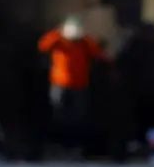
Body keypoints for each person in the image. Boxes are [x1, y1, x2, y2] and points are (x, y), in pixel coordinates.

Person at [37, 16, 108, 158]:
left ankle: (75, 146)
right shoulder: (58, 42)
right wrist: (57, 32)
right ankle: (56, 145)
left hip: (80, 85)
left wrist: (85, 38)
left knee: (78, 117)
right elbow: (43, 46)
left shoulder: (84, 44)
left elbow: (98, 54)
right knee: (57, 114)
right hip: (60, 84)